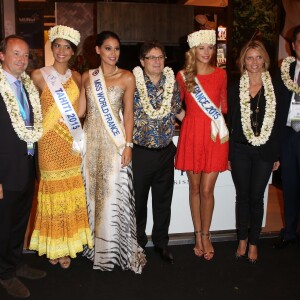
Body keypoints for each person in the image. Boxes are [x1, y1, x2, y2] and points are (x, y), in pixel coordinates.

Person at [79, 31, 146, 274]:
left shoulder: (127, 77)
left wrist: (128, 145)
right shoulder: (88, 77)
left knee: (111, 197)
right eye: (108, 48)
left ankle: (115, 251)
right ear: (97, 50)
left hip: (114, 145)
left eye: (117, 49)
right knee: (93, 195)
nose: (113, 53)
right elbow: (80, 112)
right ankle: (95, 248)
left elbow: (128, 114)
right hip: (91, 144)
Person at [29, 25, 93, 269]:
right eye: (58, 46)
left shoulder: (78, 77)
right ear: (52, 47)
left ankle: (67, 246)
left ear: (73, 51)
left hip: (71, 142)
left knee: (70, 192)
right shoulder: (37, 75)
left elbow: (82, 110)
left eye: (67, 47)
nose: (62, 51)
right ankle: (53, 246)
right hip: (48, 143)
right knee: (53, 193)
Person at [175, 30, 228, 261]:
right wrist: (188, 120)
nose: (206, 52)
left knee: (208, 190)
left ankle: (207, 234)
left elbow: (222, 107)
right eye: (201, 48)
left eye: (210, 47)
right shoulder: (182, 76)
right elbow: (174, 106)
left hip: (215, 136)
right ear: (193, 51)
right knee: (194, 189)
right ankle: (197, 235)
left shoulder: (221, 75)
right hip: (192, 135)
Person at [0, 35, 45, 298]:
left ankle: (15, 263)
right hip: (5, 171)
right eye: (16, 54)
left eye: (26, 55)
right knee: (3, 225)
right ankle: (5, 274)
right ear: (2, 55)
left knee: (18, 222)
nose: (22, 59)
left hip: (27, 165)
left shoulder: (27, 86)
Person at [228, 39, 280, 263]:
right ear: (243, 61)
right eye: (250, 58)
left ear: (265, 60)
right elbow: (230, 122)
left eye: (259, 57)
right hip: (239, 149)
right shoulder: (234, 87)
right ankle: (241, 239)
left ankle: (254, 242)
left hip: (265, 152)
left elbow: (277, 123)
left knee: (257, 198)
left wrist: (276, 154)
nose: (255, 62)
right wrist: (229, 154)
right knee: (243, 196)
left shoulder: (276, 86)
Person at [132, 40, 184, 264]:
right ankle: (137, 244)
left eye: (160, 57)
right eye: (151, 57)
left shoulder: (172, 83)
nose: (156, 61)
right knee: (138, 203)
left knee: (163, 202)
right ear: (142, 61)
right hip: (140, 153)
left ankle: (162, 244)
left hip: (165, 151)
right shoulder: (131, 82)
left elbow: (178, 111)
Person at [274, 25, 300, 249]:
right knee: (289, 186)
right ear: (293, 46)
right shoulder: (285, 71)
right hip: (288, 136)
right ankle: (290, 232)